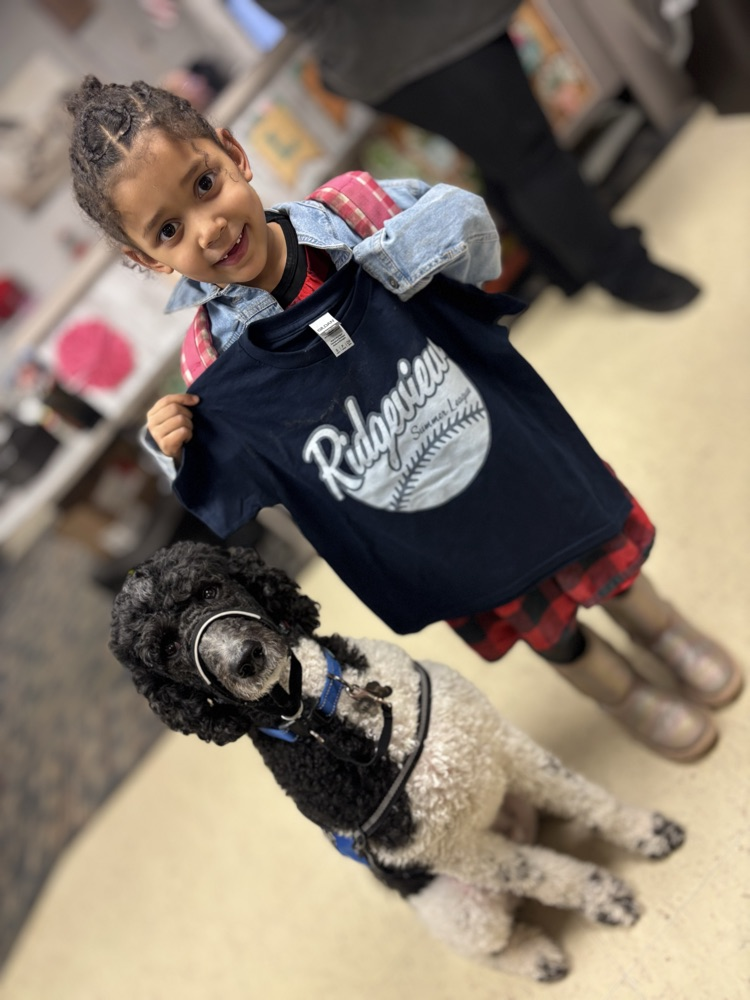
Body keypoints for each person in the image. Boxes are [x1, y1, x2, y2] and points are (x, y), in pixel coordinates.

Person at [67, 77, 742, 764]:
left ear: (234, 153)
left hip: (498, 440)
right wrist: (172, 444)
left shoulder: (355, 207)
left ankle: (664, 632)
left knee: (598, 548)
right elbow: (230, 485)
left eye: (204, 183)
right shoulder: (210, 359)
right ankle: (621, 695)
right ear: (146, 259)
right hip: (418, 521)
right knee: (538, 622)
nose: (208, 229)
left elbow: (479, 252)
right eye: (170, 230)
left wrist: (381, 266)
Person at [255, 0, 700, 312]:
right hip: (424, 36)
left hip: (386, 49)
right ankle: (629, 274)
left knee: (507, 155)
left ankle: (566, 268)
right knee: (532, 157)